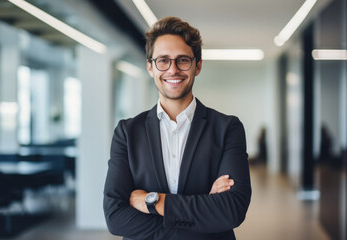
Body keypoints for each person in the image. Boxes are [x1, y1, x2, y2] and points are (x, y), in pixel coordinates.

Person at [103, 16, 251, 240]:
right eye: (163, 60)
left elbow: (231, 210)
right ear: (150, 67)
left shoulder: (227, 128)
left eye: (183, 60)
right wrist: (201, 212)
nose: (173, 70)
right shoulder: (127, 132)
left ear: (197, 66)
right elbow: (115, 217)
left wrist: (152, 201)